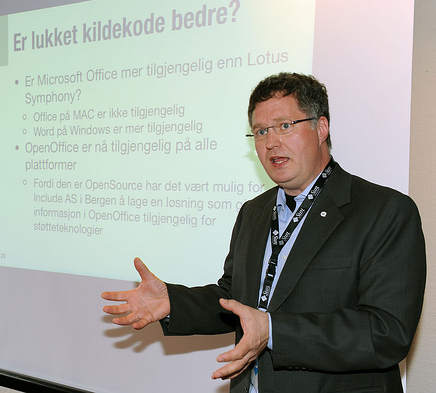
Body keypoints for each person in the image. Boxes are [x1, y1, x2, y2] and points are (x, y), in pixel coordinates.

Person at [102, 72, 426, 393]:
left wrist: (272, 330)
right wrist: (174, 302)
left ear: (321, 128)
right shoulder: (254, 212)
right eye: (260, 131)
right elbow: (234, 299)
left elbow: (387, 332)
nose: (271, 142)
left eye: (284, 126)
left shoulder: (384, 211)